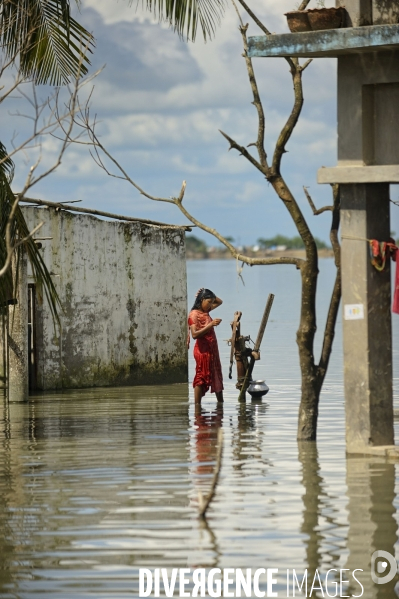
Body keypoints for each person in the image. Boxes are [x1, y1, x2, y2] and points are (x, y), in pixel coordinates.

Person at [187, 288, 224, 404]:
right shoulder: (193, 315)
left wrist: (205, 291)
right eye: (208, 302)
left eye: (211, 303)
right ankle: (197, 406)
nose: (210, 305)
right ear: (202, 300)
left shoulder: (205, 311)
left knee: (216, 373)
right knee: (201, 376)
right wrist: (211, 325)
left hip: (212, 349)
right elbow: (194, 335)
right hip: (202, 351)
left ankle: (220, 405)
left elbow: (219, 301)